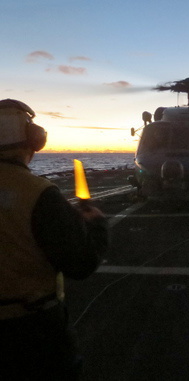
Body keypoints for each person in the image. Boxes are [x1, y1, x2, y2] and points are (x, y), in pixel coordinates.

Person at [0, 99, 108, 379]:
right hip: (32, 329)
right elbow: (81, 265)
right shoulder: (39, 194)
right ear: (34, 140)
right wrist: (96, 226)